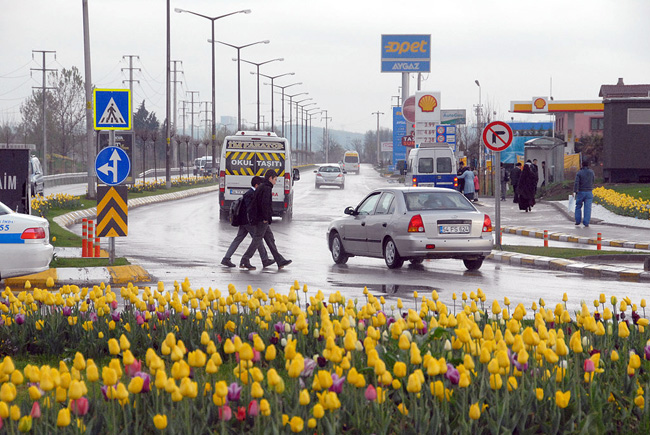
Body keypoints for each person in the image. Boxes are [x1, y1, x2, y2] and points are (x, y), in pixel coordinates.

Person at [239, 169, 292, 270]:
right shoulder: (266, 188)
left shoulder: (263, 186)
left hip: (260, 218)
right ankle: (245, 259)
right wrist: (265, 218)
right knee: (257, 239)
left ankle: (279, 260)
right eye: (275, 180)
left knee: (270, 239)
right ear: (270, 178)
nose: (275, 182)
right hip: (261, 219)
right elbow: (264, 204)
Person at [221, 176, 275, 269]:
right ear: (257, 185)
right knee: (258, 239)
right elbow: (250, 209)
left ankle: (226, 258)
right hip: (247, 221)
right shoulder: (251, 194)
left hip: (244, 221)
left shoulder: (251, 193)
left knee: (238, 239)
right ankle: (264, 259)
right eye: (261, 185)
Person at [574, 160, 595, 227]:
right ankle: (586, 222)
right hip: (589, 192)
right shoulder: (591, 172)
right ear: (588, 165)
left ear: (582, 165)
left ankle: (578, 221)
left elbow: (576, 183)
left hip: (581, 192)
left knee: (578, 206)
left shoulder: (579, 173)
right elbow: (593, 180)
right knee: (587, 208)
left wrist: (575, 191)